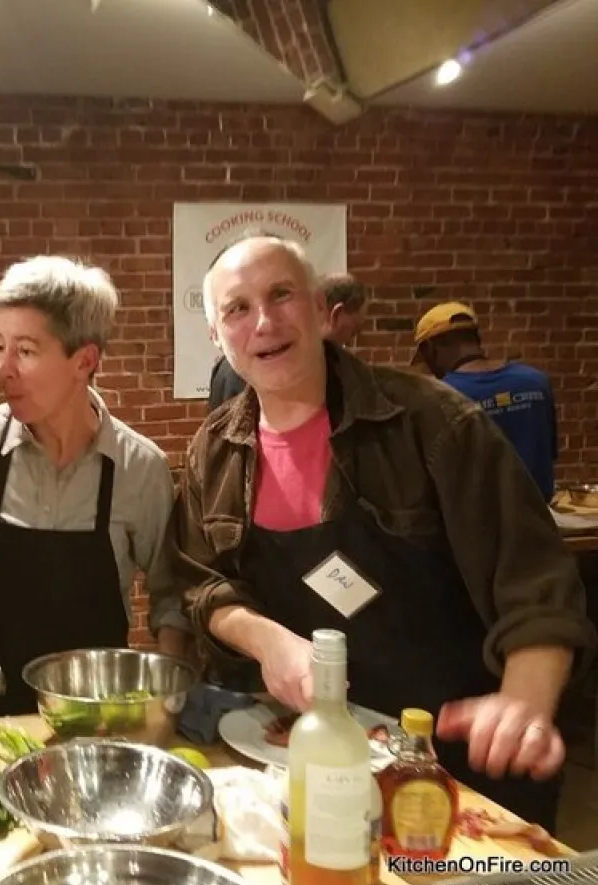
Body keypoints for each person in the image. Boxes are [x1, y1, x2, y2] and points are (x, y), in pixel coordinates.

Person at [171, 234, 595, 833]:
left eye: (281, 294)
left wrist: (525, 697)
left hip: (455, 763)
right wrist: (266, 640)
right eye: (237, 308)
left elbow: (536, 579)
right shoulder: (213, 451)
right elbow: (202, 584)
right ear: (217, 337)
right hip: (307, 759)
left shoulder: (432, 423)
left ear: (322, 310)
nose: (263, 321)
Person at [0, 255, 191, 725]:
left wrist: (169, 693)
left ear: (85, 361)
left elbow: (173, 593)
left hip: (95, 716)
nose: (2, 369)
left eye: (26, 351)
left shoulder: (141, 468)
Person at [413, 301, 558, 501]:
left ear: (429, 348)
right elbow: (547, 453)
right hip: (539, 518)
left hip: (480, 524)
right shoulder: (537, 382)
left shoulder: (440, 395)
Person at [206, 271, 368, 409]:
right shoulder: (305, 369)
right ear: (335, 314)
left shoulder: (224, 366)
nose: (265, 324)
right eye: (353, 332)